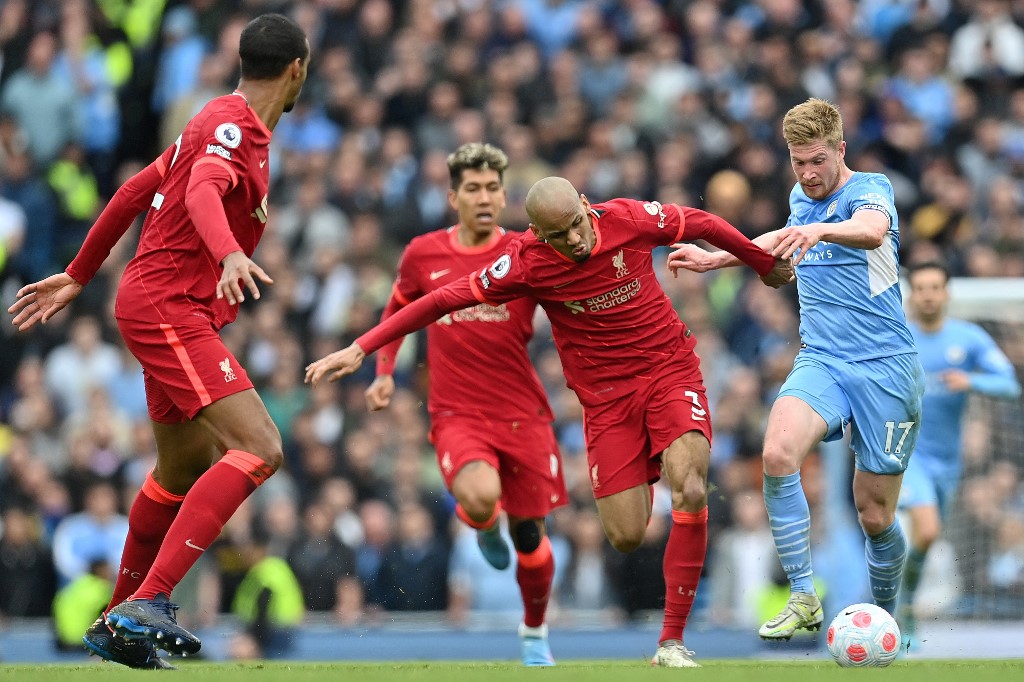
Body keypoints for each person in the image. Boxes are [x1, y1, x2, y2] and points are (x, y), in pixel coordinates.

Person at [306, 175, 793, 667]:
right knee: (626, 535)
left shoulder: (628, 217)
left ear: (586, 205)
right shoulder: (524, 264)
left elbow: (701, 221)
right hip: (606, 402)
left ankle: (671, 641)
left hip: (669, 369)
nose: (576, 240)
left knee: (689, 484)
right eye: (560, 235)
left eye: (578, 225)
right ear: (538, 234)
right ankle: (645, 460)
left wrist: (762, 263)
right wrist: (361, 348)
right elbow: (441, 300)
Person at [8, 13, 309, 668]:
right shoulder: (233, 131)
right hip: (170, 309)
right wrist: (229, 253)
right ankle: (153, 598)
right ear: (297, 70)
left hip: (157, 304)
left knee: (178, 472)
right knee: (260, 448)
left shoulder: (214, 122)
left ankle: (115, 624)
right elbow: (202, 193)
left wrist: (78, 274)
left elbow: (134, 189)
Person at [667, 97, 925, 640]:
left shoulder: (869, 190)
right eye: (797, 162)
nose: (807, 173)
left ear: (839, 150)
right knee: (777, 451)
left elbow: (872, 231)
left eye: (816, 161)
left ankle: (885, 618)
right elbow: (780, 242)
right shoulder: (799, 198)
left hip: (884, 367)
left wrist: (822, 232)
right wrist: (718, 257)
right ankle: (804, 596)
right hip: (823, 359)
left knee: (874, 516)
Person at [364, 142, 566, 666]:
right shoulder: (423, 254)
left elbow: (570, 308)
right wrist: (384, 372)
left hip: (524, 413)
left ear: (504, 195)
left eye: (493, 188)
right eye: (472, 189)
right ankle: (483, 524)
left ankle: (534, 631)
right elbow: (397, 310)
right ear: (453, 196)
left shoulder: (528, 251)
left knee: (530, 539)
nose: (484, 197)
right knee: (479, 497)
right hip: (457, 414)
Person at [898, 261, 1020, 637]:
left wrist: (971, 380)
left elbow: (1010, 385)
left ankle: (905, 603)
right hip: (906, 452)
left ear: (947, 292)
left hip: (948, 461)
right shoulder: (898, 337)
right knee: (928, 530)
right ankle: (898, 607)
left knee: (927, 539)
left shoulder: (968, 339)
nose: (929, 295)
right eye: (921, 288)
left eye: (935, 287)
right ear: (912, 295)